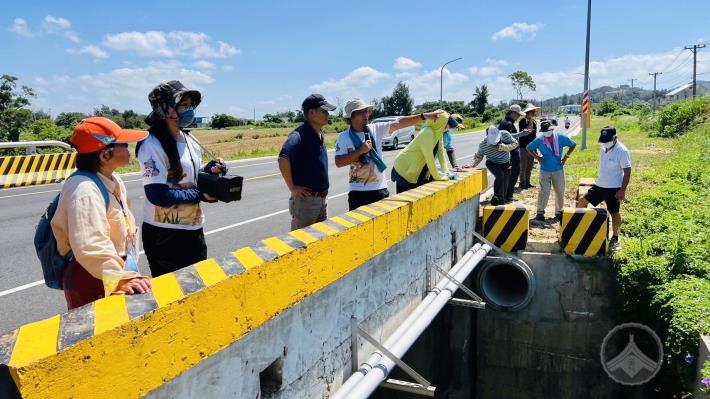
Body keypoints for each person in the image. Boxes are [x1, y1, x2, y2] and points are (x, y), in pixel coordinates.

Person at [52, 117, 152, 310]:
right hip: (94, 276)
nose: (129, 148)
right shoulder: (84, 190)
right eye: (123, 144)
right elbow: (91, 245)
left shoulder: (112, 179)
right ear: (105, 155)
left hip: (114, 269)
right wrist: (120, 279)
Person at [136, 81, 223, 277]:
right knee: (171, 294)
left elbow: (190, 176)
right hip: (164, 234)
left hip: (193, 228)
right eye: (183, 105)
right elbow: (157, 194)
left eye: (191, 105)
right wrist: (200, 194)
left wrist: (210, 170)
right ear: (167, 110)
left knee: (197, 288)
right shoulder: (151, 143)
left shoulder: (191, 140)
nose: (189, 110)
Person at [334, 99, 441, 210]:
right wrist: (360, 151)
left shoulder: (375, 128)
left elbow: (399, 122)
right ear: (351, 116)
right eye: (361, 112)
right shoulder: (344, 137)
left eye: (366, 111)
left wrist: (423, 116)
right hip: (357, 192)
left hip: (379, 190)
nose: (366, 115)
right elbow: (339, 162)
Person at [278, 94, 336, 230]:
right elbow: (282, 158)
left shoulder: (320, 133)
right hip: (306, 203)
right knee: (301, 244)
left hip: (322, 199)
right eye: (324, 111)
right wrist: (292, 188)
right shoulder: (299, 135)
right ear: (311, 113)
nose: (328, 114)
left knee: (320, 240)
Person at [577, 126, 631, 250]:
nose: (605, 144)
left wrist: (622, 190)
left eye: (607, 141)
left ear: (614, 138)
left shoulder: (622, 151)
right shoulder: (603, 148)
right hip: (600, 185)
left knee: (614, 212)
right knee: (581, 202)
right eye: (603, 141)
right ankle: (581, 229)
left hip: (614, 188)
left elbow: (627, 172)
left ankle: (616, 237)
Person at [526, 120, 576, 222]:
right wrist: (537, 158)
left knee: (559, 191)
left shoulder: (560, 137)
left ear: (552, 130)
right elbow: (528, 148)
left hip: (558, 169)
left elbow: (573, 144)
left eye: (548, 131)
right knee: (544, 191)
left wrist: (566, 157)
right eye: (544, 132)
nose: (547, 134)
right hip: (545, 169)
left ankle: (559, 212)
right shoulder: (539, 140)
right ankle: (540, 212)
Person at [391, 110, 451, 193]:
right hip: (404, 168)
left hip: (416, 168)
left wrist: (446, 171)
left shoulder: (438, 133)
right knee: (405, 199)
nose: (447, 126)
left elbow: (441, 153)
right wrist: (437, 176)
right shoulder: (427, 133)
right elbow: (429, 158)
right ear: (440, 122)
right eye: (446, 123)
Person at [463, 126, 518, 205]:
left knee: (505, 181)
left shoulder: (505, 134)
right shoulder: (483, 145)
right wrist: (471, 164)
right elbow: (478, 157)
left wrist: (506, 147)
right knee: (500, 176)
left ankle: (503, 198)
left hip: (505, 162)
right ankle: (497, 198)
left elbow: (515, 143)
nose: (495, 145)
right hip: (492, 163)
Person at [498, 104, 526, 202]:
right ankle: (508, 195)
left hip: (507, 152)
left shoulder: (505, 122)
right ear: (513, 113)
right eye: (518, 114)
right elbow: (507, 137)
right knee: (513, 174)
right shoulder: (508, 124)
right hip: (511, 153)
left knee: (508, 174)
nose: (519, 117)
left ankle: (505, 195)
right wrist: (521, 134)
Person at [517, 103, 540, 189]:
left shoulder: (534, 121)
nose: (534, 112)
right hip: (524, 147)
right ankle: (522, 183)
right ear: (528, 112)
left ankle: (527, 182)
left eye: (534, 111)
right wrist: (530, 120)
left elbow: (534, 135)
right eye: (532, 111)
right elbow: (529, 131)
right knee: (523, 166)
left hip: (532, 147)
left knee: (530, 166)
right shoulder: (523, 121)